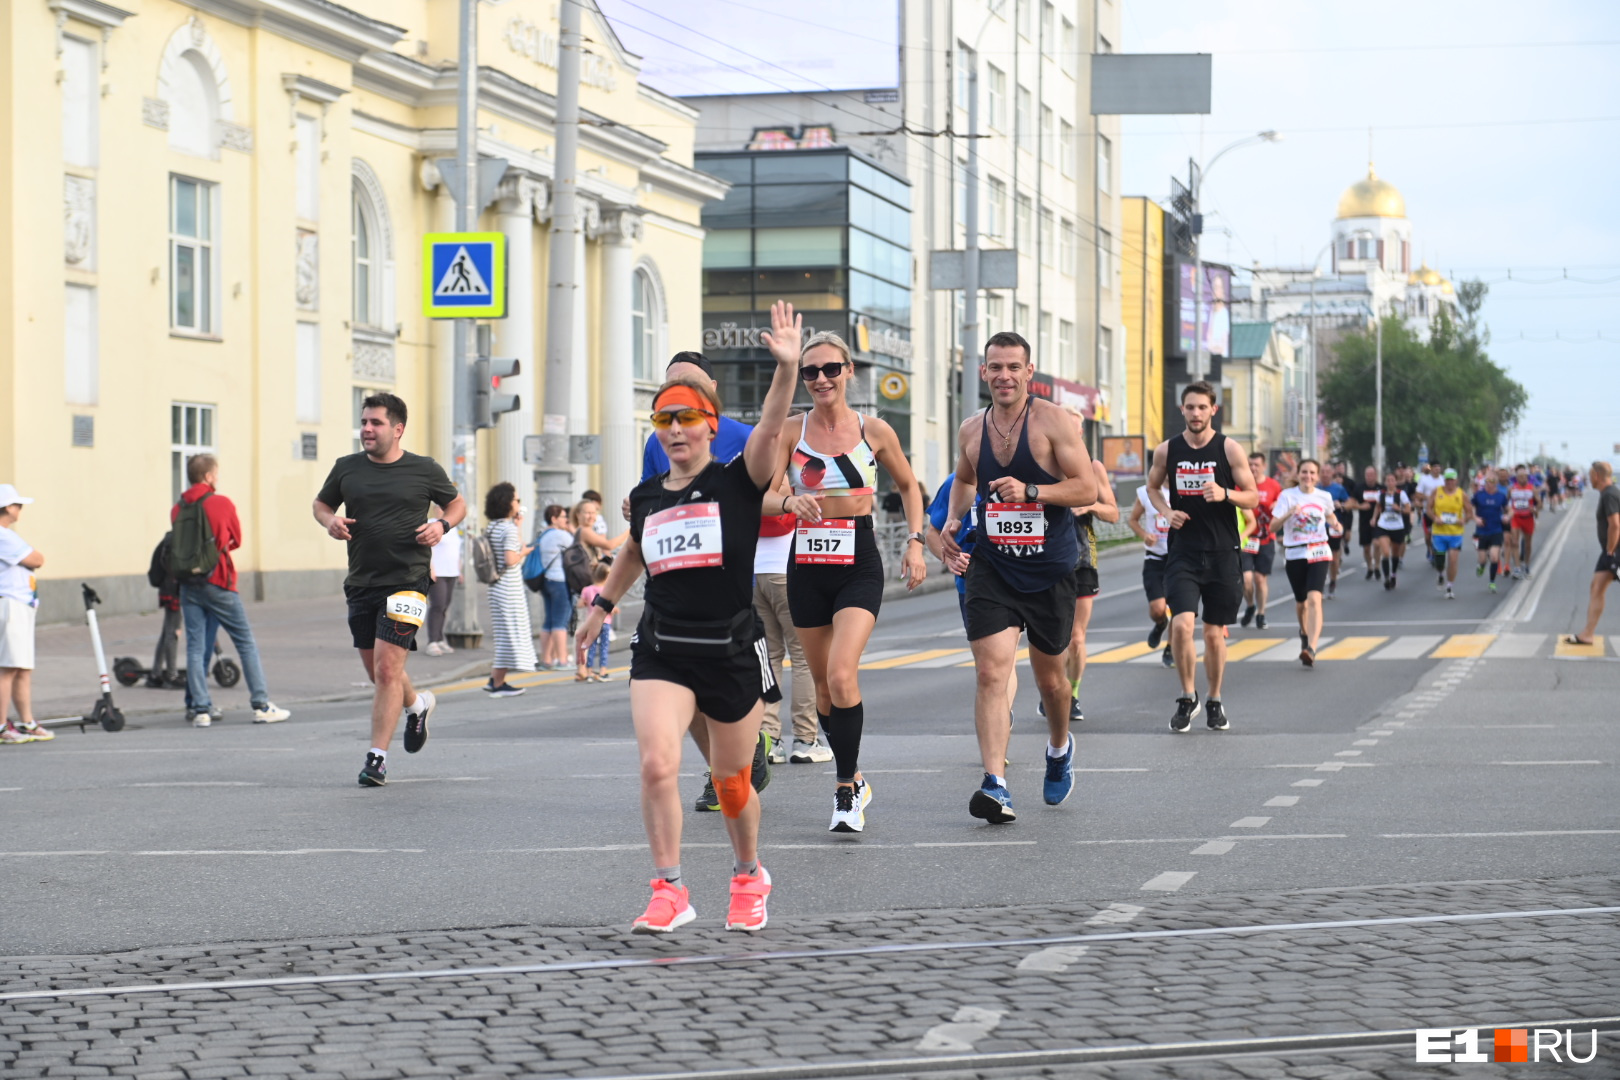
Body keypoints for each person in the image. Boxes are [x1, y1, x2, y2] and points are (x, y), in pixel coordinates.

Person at [573, 299, 800, 934]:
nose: (675, 430)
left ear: (710, 425)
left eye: (688, 419)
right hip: (663, 649)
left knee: (731, 781)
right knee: (656, 763)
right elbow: (635, 553)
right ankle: (669, 888)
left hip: (728, 650)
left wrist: (785, 369)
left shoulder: (739, 479)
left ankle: (749, 871)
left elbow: (775, 426)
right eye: (665, 419)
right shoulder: (645, 497)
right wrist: (603, 607)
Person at [775, 329, 927, 832]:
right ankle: (855, 774)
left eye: (830, 369)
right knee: (821, 688)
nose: (821, 379)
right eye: (811, 372)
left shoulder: (875, 430)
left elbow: (908, 486)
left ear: (848, 372)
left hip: (858, 558)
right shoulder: (789, 431)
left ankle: (844, 792)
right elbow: (761, 493)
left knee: (842, 674)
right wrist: (787, 501)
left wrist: (914, 541)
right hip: (807, 563)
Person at [943, 331, 1097, 822]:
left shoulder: (1052, 421)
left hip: (1050, 569)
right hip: (993, 566)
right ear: (983, 372)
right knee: (991, 671)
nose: (1004, 376)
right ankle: (995, 783)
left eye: (1014, 367)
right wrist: (952, 520)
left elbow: (1085, 488)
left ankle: (1057, 748)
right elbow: (966, 479)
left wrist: (1032, 491)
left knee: (1052, 683)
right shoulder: (971, 429)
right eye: (995, 367)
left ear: (1030, 372)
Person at [313, 392, 465, 787]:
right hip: (361, 580)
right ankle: (417, 706)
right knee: (379, 671)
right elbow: (320, 504)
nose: (366, 428)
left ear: (397, 429)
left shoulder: (423, 469)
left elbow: (458, 505)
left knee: (386, 669)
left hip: (408, 580)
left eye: (376, 422)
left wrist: (442, 526)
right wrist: (329, 521)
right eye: (364, 421)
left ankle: (376, 759)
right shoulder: (346, 468)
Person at [1145, 381, 1259, 734]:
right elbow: (1152, 486)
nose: (1195, 413)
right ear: (1182, 410)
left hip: (1224, 552)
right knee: (1181, 623)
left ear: (1213, 410)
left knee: (1213, 634)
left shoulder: (1230, 449)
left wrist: (1225, 493)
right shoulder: (1167, 450)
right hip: (1183, 552)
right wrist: (1165, 512)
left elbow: (1252, 497)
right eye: (1189, 407)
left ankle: (1214, 699)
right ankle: (1186, 695)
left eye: (1202, 407)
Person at [171, 456, 290, 728]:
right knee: (244, 641)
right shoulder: (220, 503)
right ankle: (261, 705)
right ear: (209, 477)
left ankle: (201, 710)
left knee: (195, 645)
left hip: (188, 584)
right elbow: (235, 539)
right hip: (218, 580)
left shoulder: (178, 508)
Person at [754, 493, 828, 764]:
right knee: (803, 657)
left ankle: (769, 740)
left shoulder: (753, 474)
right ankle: (805, 739)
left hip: (754, 574)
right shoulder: (790, 480)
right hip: (787, 572)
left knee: (768, 658)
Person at [1050, 429, 1115, 723]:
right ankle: (1052, 690)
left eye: (1074, 431)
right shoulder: (1040, 464)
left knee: (1076, 638)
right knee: (1052, 638)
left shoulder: (1092, 467)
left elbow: (1113, 513)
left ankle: (1072, 694)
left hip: (1081, 560)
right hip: (1045, 559)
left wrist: (1090, 504)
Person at [1268, 460, 1340, 666]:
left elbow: (1330, 516)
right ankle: (1303, 632)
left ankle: (1312, 647)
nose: (1308, 476)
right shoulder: (1287, 496)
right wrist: (1290, 513)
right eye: (1304, 472)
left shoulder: (1324, 497)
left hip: (1318, 550)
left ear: (1317, 477)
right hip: (1295, 553)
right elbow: (1273, 527)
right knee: (1301, 602)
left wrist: (1336, 523)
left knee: (1314, 599)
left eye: (1312, 473)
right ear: (1298, 474)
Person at [0, 484, 48, 744]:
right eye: (18, 504)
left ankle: (27, 722)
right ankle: (1, 727)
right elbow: (37, 559)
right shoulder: (3, 536)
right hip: (11, 605)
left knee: (21, 668)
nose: (20, 509)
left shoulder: (7, 534)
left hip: (20, 605)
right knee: (8, 668)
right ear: (7, 507)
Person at [483, 482, 536, 696]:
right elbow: (511, 558)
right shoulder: (508, 529)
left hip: (497, 586)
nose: (518, 503)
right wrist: (524, 553)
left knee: (504, 634)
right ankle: (497, 683)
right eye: (516, 500)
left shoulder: (494, 526)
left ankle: (496, 679)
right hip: (509, 589)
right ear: (507, 502)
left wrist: (518, 526)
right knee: (510, 633)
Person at [1568, 461, 1620, 646]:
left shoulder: (1610, 495)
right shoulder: (1607, 493)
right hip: (1610, 552)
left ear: (1597, 475)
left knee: (1597, 588)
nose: (1589, 478)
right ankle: (1587, 634)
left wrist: (1610, 551)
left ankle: (1588, 633)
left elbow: (1615, 525)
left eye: (1590, 475)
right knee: (1596, 587)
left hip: (1614, 552)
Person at [1127, 481, 1174, 666]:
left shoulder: (1186, 489)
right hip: (1155, 559)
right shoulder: (1146, 492)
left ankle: (1171, 647)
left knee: (1179, 611)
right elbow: (1132, 519)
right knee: (1157, 609)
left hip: (1179, 558)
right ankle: (1161, 623)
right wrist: (1144, 534)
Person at [1239, 452, 1281, 630]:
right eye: (1250, 465)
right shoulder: (1240, 485)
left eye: (1257, 465)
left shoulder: (1273, 485)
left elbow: (1281, 506)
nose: (1253, 468)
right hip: (1245, 538)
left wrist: (1277, 506)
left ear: (1264, 466)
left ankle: (1261, 613)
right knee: (1245, 578)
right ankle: (1250, 606)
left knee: (1260, 579)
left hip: (1265, 539)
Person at [532, 505, 574, 670]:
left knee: (549, 621)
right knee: (560, 622)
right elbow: (577, 546)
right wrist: (571, 529)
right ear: (554, 518)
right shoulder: (560, 535)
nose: (566, 520)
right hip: (559, 580)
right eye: (563, 517)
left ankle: (547, 660)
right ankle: (562, 660)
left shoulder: (542, 534)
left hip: (546, 581)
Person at [423, 518, 462, 656]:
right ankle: (432, 642)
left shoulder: (453, 526)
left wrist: (460, 570)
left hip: (451, 572)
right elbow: (425, 547)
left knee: (444, 606)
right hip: (437, 572)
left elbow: (456, 549)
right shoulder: (431, 523)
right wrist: (430, 568)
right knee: (437, 605)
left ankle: (439, 639)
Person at [1429, 469, 1469, 599]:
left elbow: (1469, 511)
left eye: (1452, 480)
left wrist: (1464, 520)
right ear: (1444, 480)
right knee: (1439, 561)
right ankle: (1440, 574)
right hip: (1439, 532)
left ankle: (1449, 586)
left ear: (1456, 480)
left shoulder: (1461, 494)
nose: (1449, 482)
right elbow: (1428, 508)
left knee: (1453, 560)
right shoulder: (1437, 491)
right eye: (1447, 480)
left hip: (1455, 533)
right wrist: (1435, 518)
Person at [1370, 470, 1412, 590]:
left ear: (1396, 482)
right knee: (1386, 552)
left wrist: (1399, 509)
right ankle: (1387, 577)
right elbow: (1377, 508)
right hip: (1383, 525)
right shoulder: (1381, 494)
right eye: (1388, 480)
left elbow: (1408, 509)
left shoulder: (1401, 494)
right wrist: (1374, 518)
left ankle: (1393, 574)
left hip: (1397, 527)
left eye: (1392, 480)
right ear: (1385, 482)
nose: (1390, 482)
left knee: (1395, 553)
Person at [1472, 472, 1510, 591]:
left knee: (1494, 557)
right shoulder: (1479, 495)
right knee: (1483, 558)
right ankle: (1481, 565)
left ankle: (1492, 582)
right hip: (1481, 531)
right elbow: (1471, 508)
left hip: (1496, 530)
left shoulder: (1501, 496)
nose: (1489, 484)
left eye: (1492, 481)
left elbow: (1509, 509)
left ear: (1496, 483)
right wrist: (1475, 518)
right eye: (1487, 481)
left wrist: (1507, 516)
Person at [578, 562, 614, 681]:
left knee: (591, 646)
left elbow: (580, 604)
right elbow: (611, 607)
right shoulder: (607, 590)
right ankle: (603, 671)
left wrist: (586, 603)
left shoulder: (587, 589)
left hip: (591, 623)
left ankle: (589, 672)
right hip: (605, 621)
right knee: (604, 646)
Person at [1323, 464, 1353, 598]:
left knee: (1333, 559)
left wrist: (1341, 505)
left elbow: (1349, 504)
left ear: (1332, 474)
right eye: (1322, 472)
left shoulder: (1338, 488)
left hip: (1333, 527)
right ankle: (1319, 584)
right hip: (1316, 529)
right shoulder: (1314, 489)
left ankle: (1333, 582)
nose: (1324, 474)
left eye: (1327, 472)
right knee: (1319, 558)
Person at [1507, 464, 1541, 579]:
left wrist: (1535, 509)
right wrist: (1508, 511)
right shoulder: (1512, 489)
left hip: (1528, 518)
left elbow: (1539, 503)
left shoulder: (1532, 488)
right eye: (1520, 477)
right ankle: (1516, 568)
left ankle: (1526, 565)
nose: (1522, 478)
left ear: (1527, 477)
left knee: (1527, 544)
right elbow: (1506, 502)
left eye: (1524, 476)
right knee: (1514, 542)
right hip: (1516, 517)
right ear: (1516, 478)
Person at [1356, 465, 1383, 579]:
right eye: (1367, 475)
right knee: (1366, 548)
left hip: (1378, 521)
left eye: (1372, 475)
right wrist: (1360, 506)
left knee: (1377, 544)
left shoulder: (1381, 488)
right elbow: (1352, 502)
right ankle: (1370, 567)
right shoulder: (1359, 488)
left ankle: (1377, 566)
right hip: (1364, 521)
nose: (1369, 477)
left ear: (1376, 476)